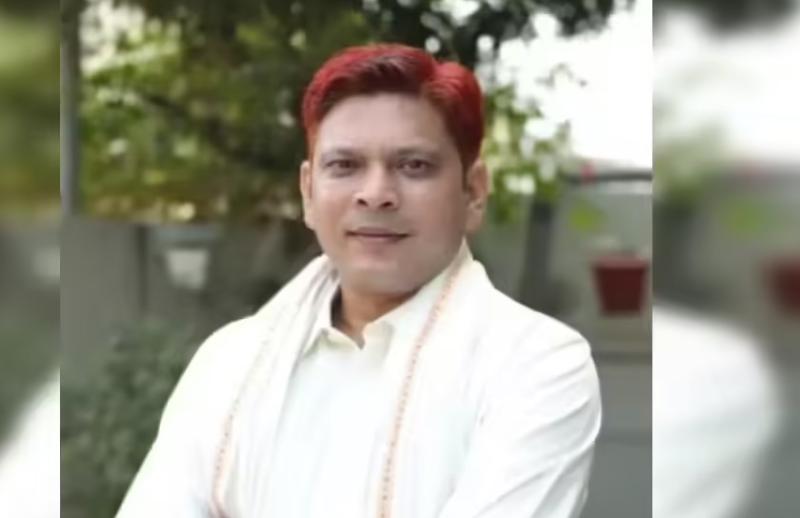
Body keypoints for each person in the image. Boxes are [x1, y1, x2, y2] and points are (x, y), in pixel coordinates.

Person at [116, 43, 601, 518]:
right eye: (344, 166)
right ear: (308, 193)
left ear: (473, 193)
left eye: (413, 166)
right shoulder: (229, 362)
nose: (375, 194)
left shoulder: (534, 364)